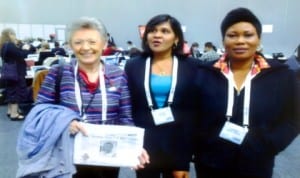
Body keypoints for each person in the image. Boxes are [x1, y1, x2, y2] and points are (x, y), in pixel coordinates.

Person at [17, 16, 149, 178]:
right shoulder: (58, 73)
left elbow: (125, 116)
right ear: (71, 45)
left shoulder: (118, 75)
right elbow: (40, 110)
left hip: (107, 155)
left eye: (92, 42)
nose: (86, 47)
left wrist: (133, 147)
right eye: (78, 42)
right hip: (67, 155)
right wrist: (66, 123)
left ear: (104, 44)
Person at [193, 7, 299, 178]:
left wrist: (270, 145)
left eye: (248, 35)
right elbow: (190, 113)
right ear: (223, 40)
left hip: (257, 163)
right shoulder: (203, 73)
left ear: (258, 39)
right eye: (232, 35)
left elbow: (294, 118)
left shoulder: (281, 75)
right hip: (210, 163)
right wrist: (201, 145)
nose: (240, 41)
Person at [125, 14, 200, 178]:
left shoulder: (192, 67)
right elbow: (128, 105)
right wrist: (131, 143)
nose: (157, 35)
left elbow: (195, 110)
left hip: (178, 141)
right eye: (152, 31)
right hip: (144, 143)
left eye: (165, 31)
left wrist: (186, 154)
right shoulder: (133, 65)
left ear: (176, 39)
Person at [0, 28, 31, 121]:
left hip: (9, 72)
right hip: (16, 72)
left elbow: (15, 55)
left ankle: (10, 111)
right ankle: (14, 114)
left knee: (10, 91)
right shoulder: (10, 45)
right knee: (16, 91)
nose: (15, 37)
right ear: (10, 34)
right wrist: (25, 49)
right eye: (14, 34)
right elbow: (21, 55)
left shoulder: (3, 45)